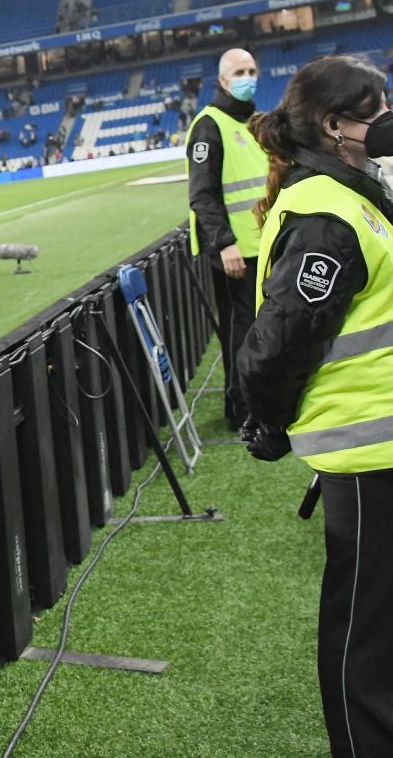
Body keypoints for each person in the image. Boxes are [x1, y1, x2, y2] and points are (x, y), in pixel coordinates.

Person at [236, 55, 393, 757]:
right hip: (367, 454)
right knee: (365, 637)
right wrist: (267, 421)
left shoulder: (351, 194)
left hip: (381, 448)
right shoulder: (325, 215)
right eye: (376, 110)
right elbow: (275, 346)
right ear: (335, 126)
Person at [186, 47, 269, 429]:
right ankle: (241, 409)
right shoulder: (209, 124)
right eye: (239, 71)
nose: (247, 76)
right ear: (222, 80)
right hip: (237, 251)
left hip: (261, 245)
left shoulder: (252, 120)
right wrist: (224, 244)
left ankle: (258, 400)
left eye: (252, 70)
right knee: (242, 331)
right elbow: (202, 194)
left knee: (257, 328)